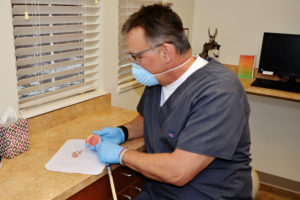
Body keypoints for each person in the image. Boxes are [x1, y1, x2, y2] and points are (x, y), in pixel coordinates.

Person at [92, 3, 252, 199]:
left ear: (165, 52)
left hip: (206, 194)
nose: (135, 64)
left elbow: (179, 171)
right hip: (159, 192)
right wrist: (123, 131)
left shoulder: (220, 92)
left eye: (137, 56)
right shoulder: (158, 79)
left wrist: (121, 155)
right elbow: (150, 118)